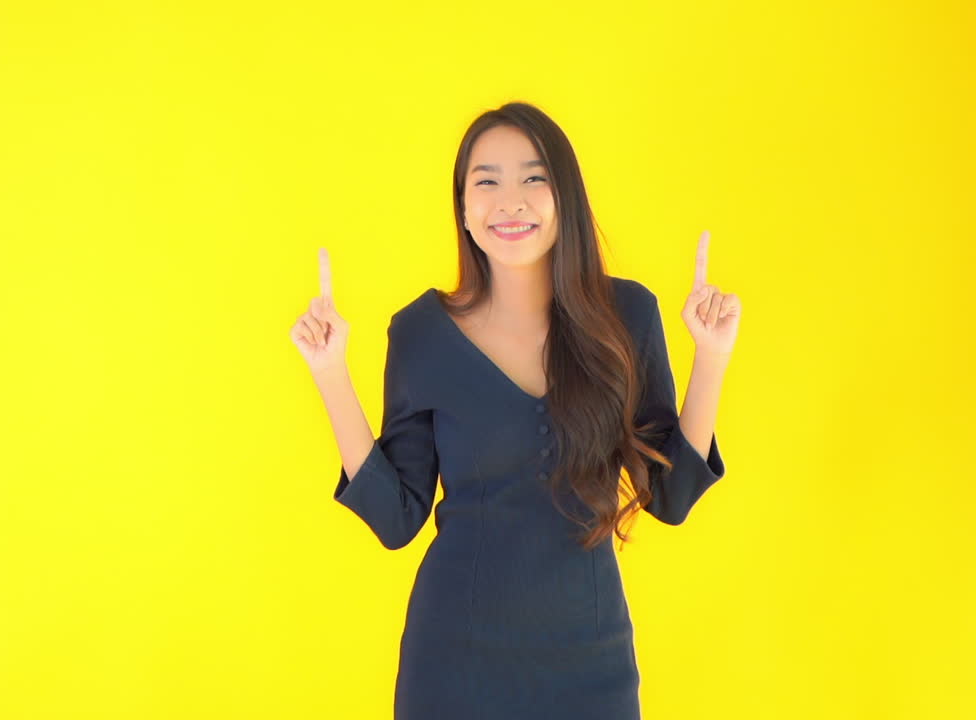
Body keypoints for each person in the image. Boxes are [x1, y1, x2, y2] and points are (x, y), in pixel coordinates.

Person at [290, 101, 740, 719]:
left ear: (565, 197)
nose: (511, 202)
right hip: (452, 665)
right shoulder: (421, 332)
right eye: (487, 182)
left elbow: (672, 496)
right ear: (463, 207)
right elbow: (396, 520)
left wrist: (711, 356)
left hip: (593, 666)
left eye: (534, 178)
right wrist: (329, 371)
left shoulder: (626, 315)